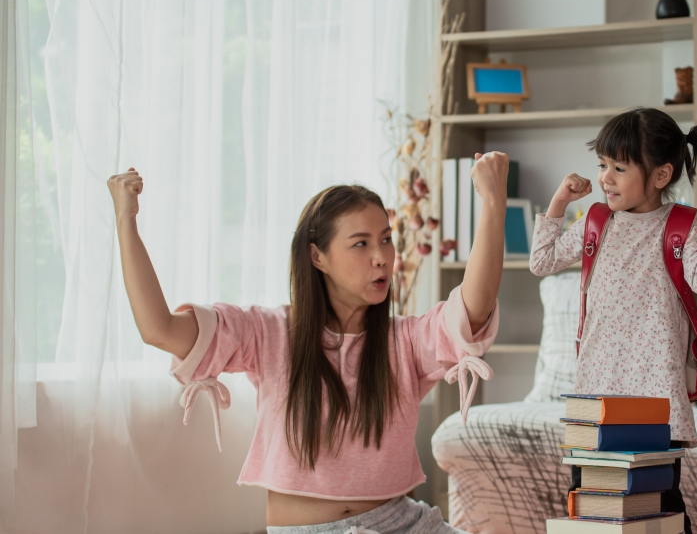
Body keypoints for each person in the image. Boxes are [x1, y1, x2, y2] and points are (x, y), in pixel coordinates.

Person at [107, 152, 509, 534]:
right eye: (361, 243)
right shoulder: (266, 332)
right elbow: (158, 328)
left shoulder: (404, 339)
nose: (382, 257)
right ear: (318, 257)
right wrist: (126, 220)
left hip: (403, 521)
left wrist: (493, 203)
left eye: (386, 239)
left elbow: (471, 310)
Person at [529, 108, 697, 534]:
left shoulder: (681, 225)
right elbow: (542, 261)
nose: (605, 178)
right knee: (591, 506)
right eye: (602, 164)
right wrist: (561, 201)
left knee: (659, 510)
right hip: (597, 398)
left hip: (656, 401)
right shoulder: (597, 222)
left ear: (661, 175)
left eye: (619, 168)